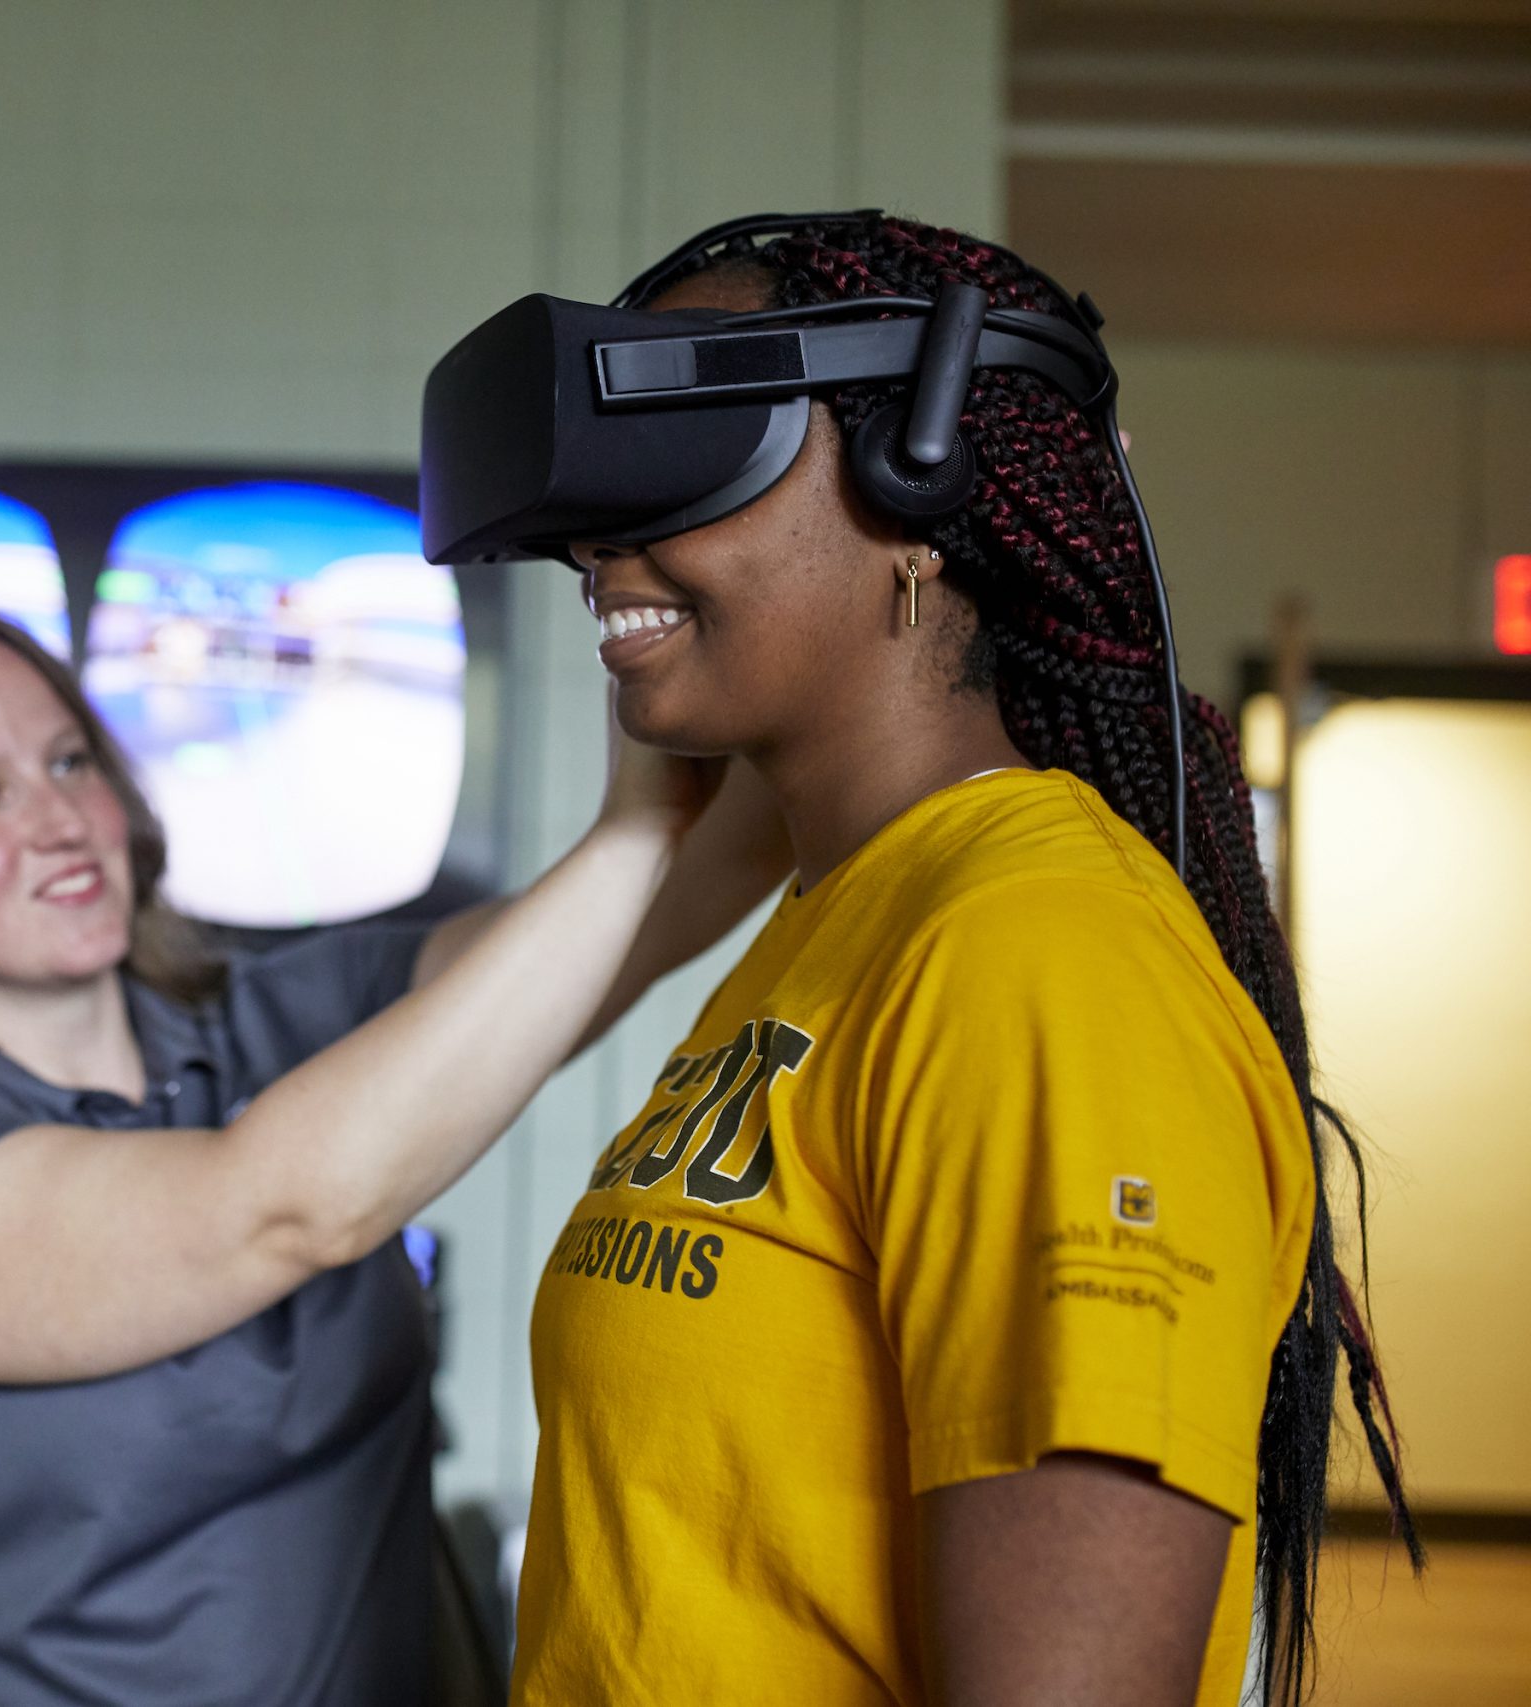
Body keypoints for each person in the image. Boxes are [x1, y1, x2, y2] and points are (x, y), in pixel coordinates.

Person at [502, 214, 1418, 1707]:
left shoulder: (1040, 955)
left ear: (921, 490)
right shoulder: (840, 919)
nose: (601, 539)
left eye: (691, 441)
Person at [0, 602, 790, 1705]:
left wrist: (783, 642)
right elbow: (283, 1210)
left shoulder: (278, 1019)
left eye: (70, 762)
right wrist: (632, 826)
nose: (62, 819)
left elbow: (650, 914)